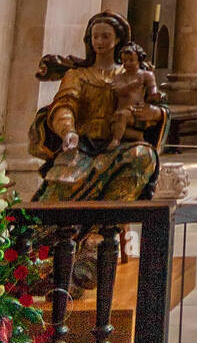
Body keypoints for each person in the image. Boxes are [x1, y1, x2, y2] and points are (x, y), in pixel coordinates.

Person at [29, 11, 168, 202]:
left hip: (119, 143)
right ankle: (60, 229)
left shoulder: (132, 75)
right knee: (63, 184)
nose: (99, 41)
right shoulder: (78, 75)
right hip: (83, 145)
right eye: (95, 36)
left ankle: (105, 224)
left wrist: (155, 113)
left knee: (143, 157)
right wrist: (68, 131)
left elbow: (157, 106)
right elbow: (64, 106)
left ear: (118, 39)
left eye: (105, 36)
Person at [108, 43, 164, 148]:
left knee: (121, 117)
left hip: (136, 111)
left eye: (131, 60)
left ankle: (116, 141)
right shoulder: (118, 77)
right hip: (121, 111)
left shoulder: (146, 75)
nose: (127, 64)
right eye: (124, 61)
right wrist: (131, 85)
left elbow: (153, 89)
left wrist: (155, 95)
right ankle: (139, 136)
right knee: (114, 127)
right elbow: (117, 91)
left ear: (139, 59)